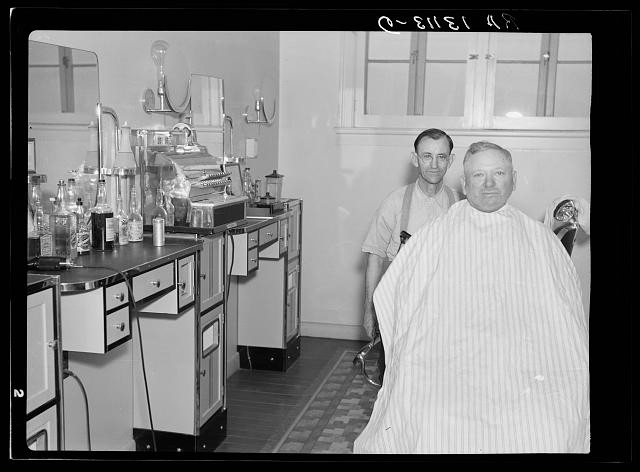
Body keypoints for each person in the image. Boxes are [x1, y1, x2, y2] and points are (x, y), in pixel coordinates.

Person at [354, 141, 590, 454]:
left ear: (514, 179)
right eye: (479, 175)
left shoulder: (540, 240)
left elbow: (566, 322)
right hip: (447, 363)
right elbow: (396, 298)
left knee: (548, 429)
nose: (489, 184)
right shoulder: (433, 235)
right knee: (431, 425)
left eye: (499, 173)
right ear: (464, 184)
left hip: (523, 365)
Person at [361, 129, 461, 382]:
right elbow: (374, 256)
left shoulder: (460, 206)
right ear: (415, 159)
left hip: (444, 310)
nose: (434, 164)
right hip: (400, 308)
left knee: (439, 380)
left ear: (450, 160)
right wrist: (369, 310)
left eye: (441, 157)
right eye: (427, 156)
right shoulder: (394, 203)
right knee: (393, 378)